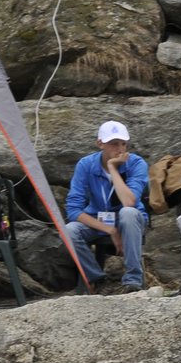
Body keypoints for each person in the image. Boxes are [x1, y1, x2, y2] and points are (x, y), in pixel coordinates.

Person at [64, 120, 149, 292]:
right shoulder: (86, 165)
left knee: (128, 213)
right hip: (98, 221)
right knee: (69, 230)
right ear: (100, 143)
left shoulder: (136, 163)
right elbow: (73, 210)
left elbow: (129, 202)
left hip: (131, 222)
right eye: (113, 144)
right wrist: (110, 230)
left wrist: (113, 169)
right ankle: (98, 280)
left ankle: (133, 281)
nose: (120, 149)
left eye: (124, 144)